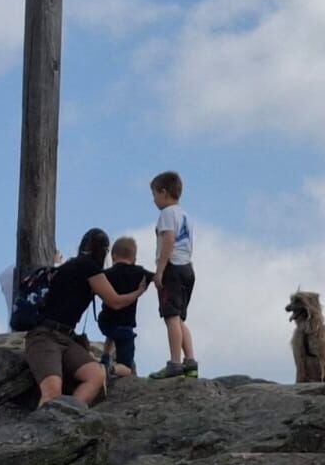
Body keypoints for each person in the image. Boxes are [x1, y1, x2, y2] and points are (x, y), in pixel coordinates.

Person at [23, 228, 150, 409]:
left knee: (96, 375)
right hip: (45, 338)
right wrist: (139, 291)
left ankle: (67, 416)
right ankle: (48, 427)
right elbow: (115, 302)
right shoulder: (88, 267)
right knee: (53, 390)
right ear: (105, 251)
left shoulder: (72, 266)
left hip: (63, 337)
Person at [147, 170, 199, 379]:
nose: (154, 200)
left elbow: (168, 240)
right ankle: (191, 361)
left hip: (173, 268)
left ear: (164, 192)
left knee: (171, 317)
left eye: (154, 195)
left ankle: (175, 363)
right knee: (179, 319)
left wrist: (160, 270)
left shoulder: (167, 214)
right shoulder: (186, 216)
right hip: (187, 267)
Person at [96, 236, 153, 376]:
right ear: (134, 258)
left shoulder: (106, 274)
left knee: (111, 334)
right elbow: (156, 277)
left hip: (106, 322)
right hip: (125, 326)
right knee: (127, 367)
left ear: (113, 255)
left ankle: (105, 358)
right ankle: (110, 370)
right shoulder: (140, 273)